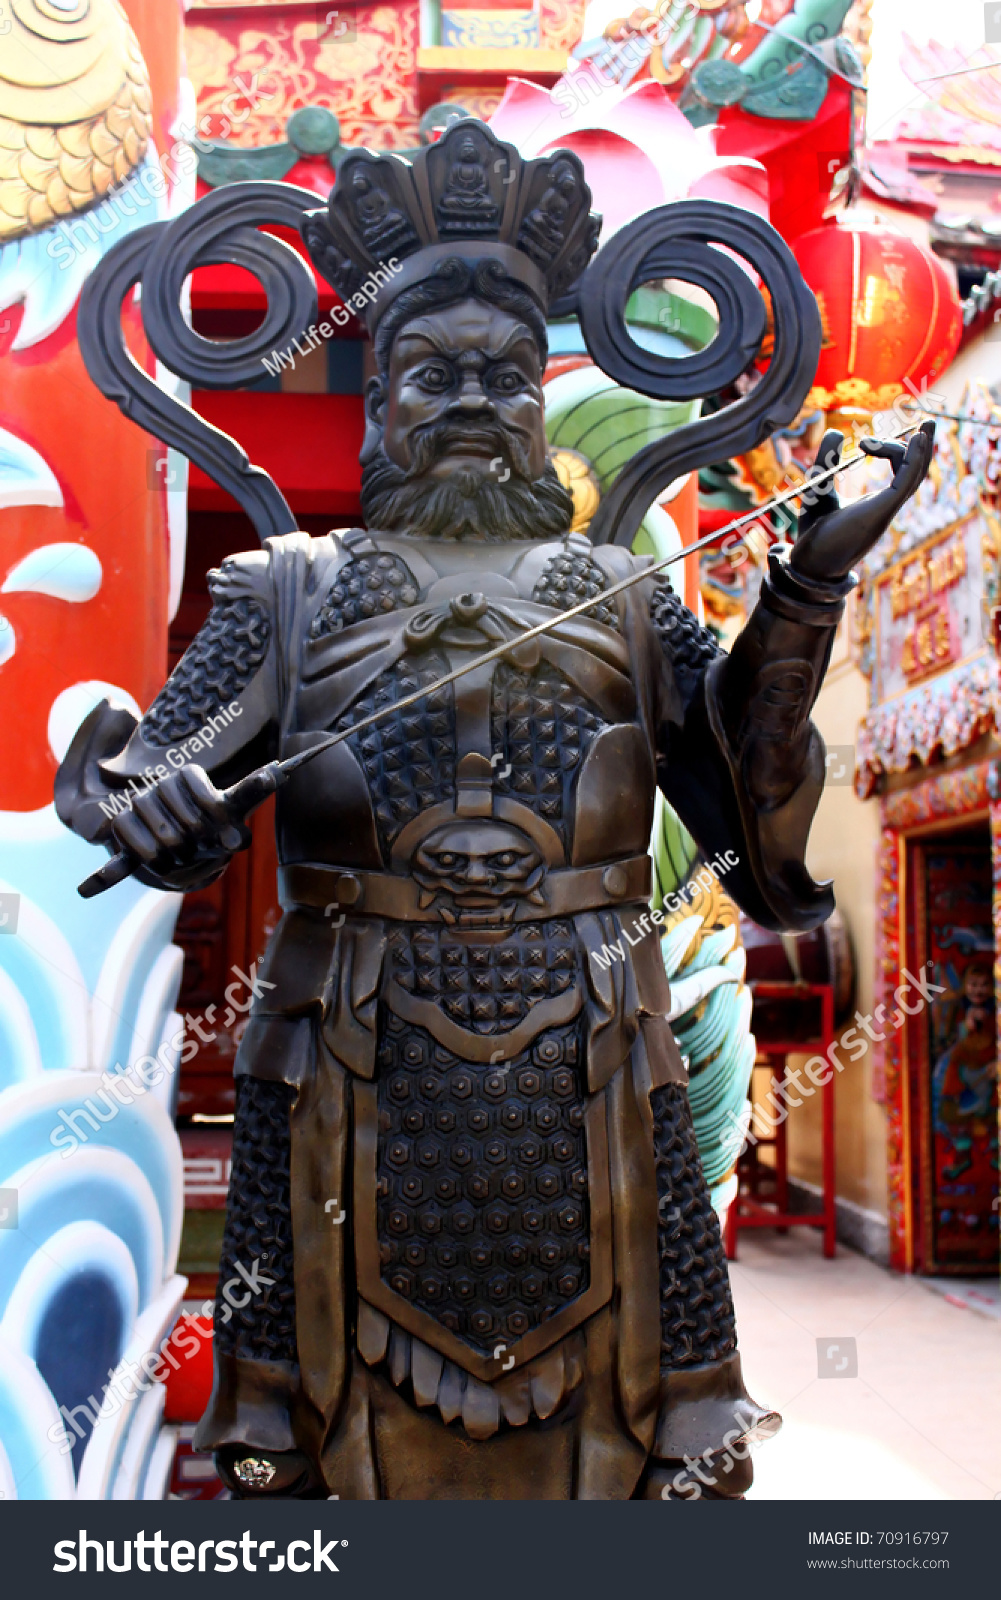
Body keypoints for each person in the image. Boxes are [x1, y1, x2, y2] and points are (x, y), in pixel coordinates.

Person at [55, 119, 933, 1499]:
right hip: (353, 1047)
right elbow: (150, 780)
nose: (470, 398)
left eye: (503, 376)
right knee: (310, 1429)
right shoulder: (292, 586)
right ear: (375, 397)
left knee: (655, 1432)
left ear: (539, 401)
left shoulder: (625, 595)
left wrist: (806, 588)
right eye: (430, 372)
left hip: (590, 1055)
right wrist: (157, 809)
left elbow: (743, 814)